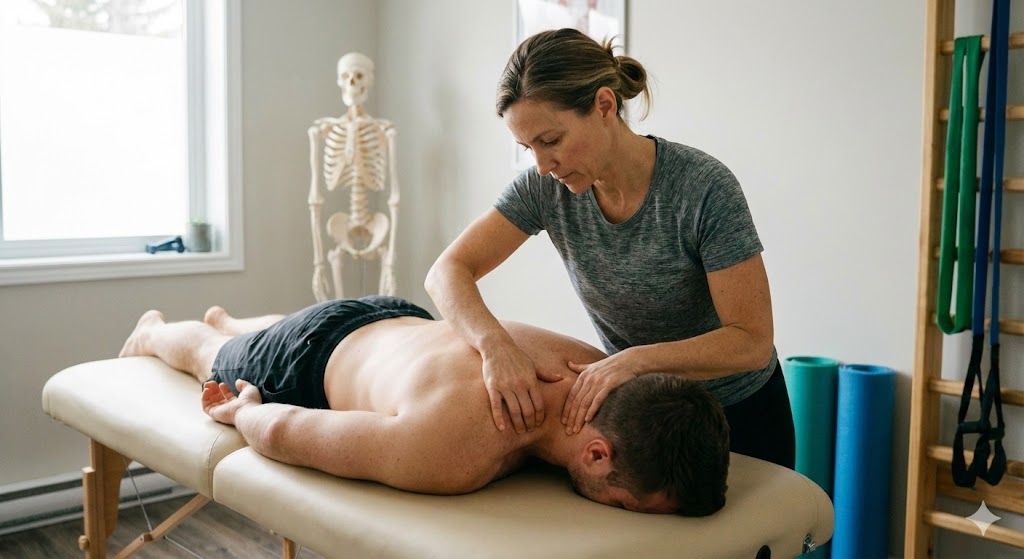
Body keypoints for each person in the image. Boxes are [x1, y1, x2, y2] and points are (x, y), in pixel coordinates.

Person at [424, 28, 794, 469]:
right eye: (527, 147)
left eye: (551, 140)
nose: (541, 165)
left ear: (603, 106)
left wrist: (634, 363)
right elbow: (447, 271)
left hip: (742, 413)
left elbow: (751, 341)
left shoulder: (703, 188)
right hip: (646, 415)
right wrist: (494, 346)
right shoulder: (545, 189)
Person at [117, 295, 730, 516]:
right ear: (596, 454)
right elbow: (284, 431)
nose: (618, 513)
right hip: (310, 359)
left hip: (398, 317)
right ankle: (157, 331)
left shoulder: (591, 365)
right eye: (625, 506)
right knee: (211, 354)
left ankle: (236, 324)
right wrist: (243, 411)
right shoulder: (452, 449)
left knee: (264, 334)